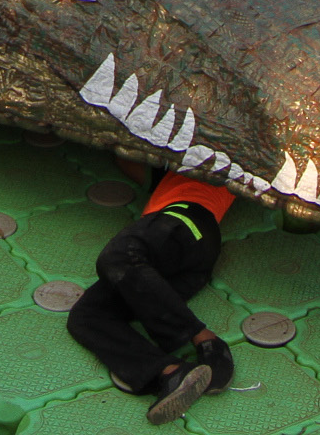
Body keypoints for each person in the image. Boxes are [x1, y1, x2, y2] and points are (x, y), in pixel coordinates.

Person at [66, 170, 239, 425]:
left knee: (118, 256)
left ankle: (204, 339)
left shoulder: (209, 157)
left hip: (185, 220)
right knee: (86, 316)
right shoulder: (167, 167)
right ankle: (170, 372)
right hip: (182, 261)